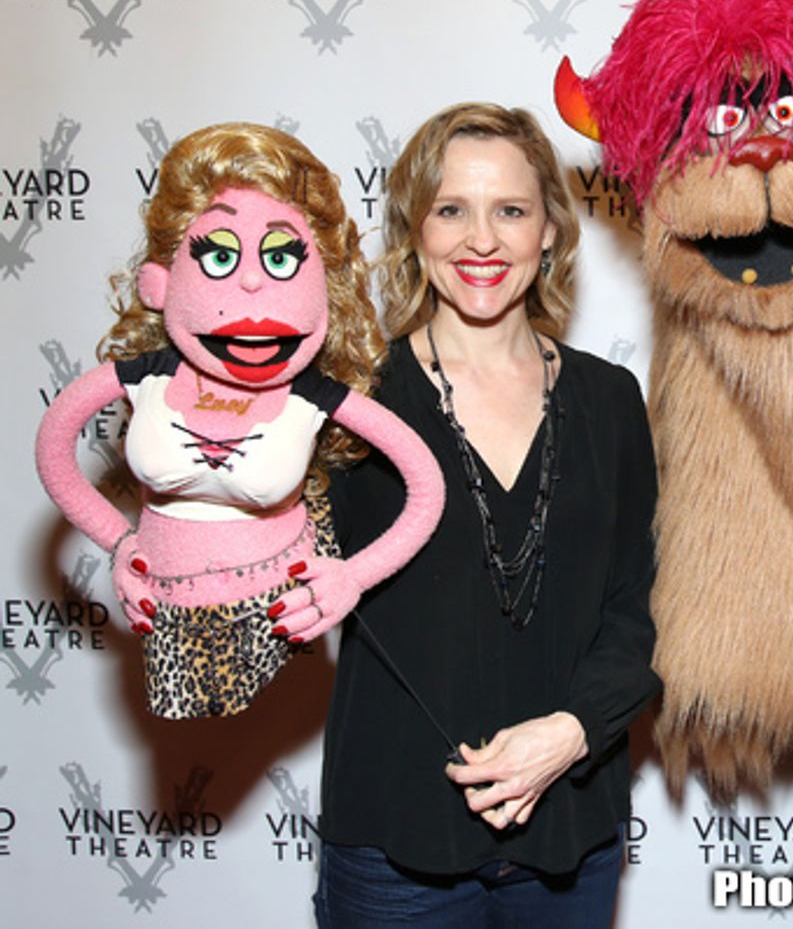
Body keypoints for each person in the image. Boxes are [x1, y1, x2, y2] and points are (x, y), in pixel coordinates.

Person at [313, 103, 660, 928]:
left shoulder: (611, 399)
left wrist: (573, 732)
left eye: (510, 210)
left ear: (550, 230)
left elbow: (643, 603)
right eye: (451, 210)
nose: (482, 241)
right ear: (415, 229)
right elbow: (276, 569)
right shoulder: (351, 402)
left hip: (571, 834)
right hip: (395, 840)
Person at [34, 122, 442, 719]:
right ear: (159, 284)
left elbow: (427, 486)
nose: (251, 281)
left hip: (274, 609)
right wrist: (119, 543)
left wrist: (353, 577)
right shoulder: (146, 378)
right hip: (165, 613)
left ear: (325, 288)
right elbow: (53, 449)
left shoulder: (314, 397)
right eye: (221, 256)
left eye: (279, 258)